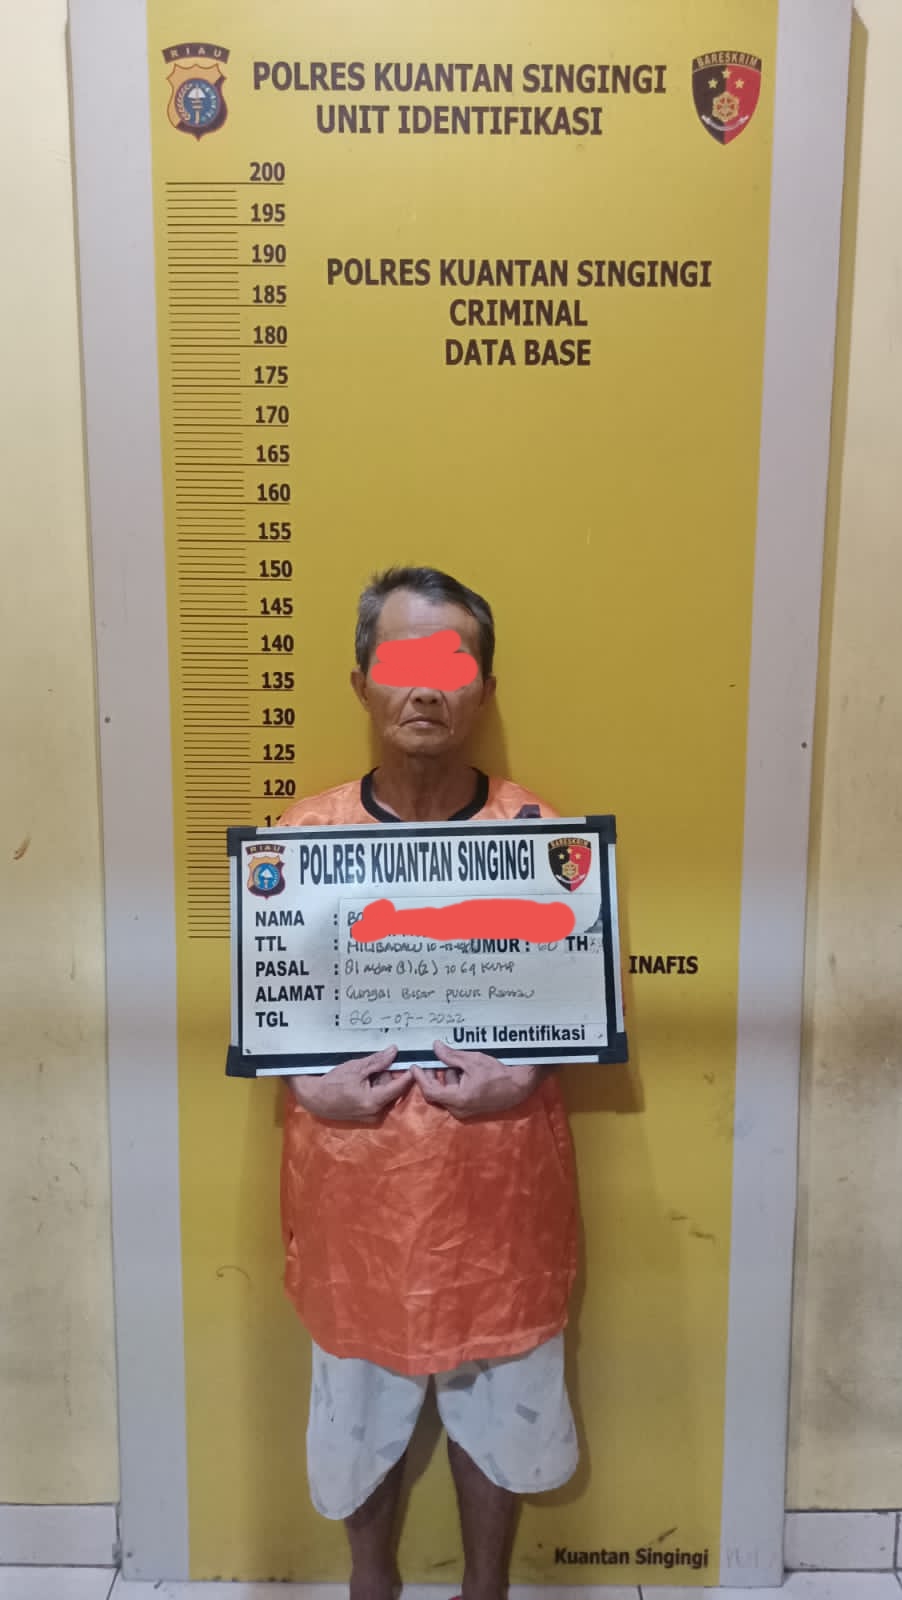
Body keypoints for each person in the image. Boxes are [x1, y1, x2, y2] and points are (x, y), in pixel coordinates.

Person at [279, 567, 579, 1600]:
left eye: (449, 665)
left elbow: (574, 1002)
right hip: (352, 1185)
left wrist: (525, 1069)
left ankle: (483, 1591)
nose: (423, 688)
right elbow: (273, 1012)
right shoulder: (302, 842)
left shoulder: (539, 839)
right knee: (357, 1408)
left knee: (500, 1405)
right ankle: (372, 1585)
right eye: (401, 662)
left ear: (482, 689)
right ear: (361, 680)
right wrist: (310, 1090)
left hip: (500, 1183)